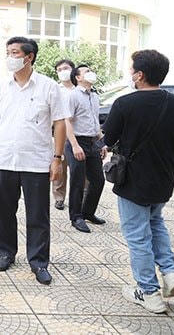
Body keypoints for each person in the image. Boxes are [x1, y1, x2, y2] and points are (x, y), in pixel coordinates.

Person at [103, 49, 174, 314]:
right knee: (155, 223)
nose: (130, 74)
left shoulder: (124, 104)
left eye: (132, 70)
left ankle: (148, 292)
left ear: (139, 75)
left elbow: (108, 139)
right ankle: (171, 273)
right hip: (164, 178)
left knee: (138, 236)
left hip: (134, 181)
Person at [0, 36, 67, 285]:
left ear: (29, 57)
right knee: (5, 211)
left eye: (14, 53)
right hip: (6, 160)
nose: (9, 58)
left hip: (37, 162)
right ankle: (6, 253)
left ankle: (39, 262)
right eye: (8, 52)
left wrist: (57, 158)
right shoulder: (1, 87)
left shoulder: (48, 86)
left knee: (38, 215)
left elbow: (60, 122)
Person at [64, 64, 106, 233]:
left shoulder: (94, 96)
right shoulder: (72, 95)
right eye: (86, 71)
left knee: (98, 180)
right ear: (78, 77)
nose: (91, 73)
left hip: (92, 142)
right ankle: (76, 217)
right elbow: (66, 121)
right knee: (77, 181)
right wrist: (75, 145)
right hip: (76, 141)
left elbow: (94, 122)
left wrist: (102, 142)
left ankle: (88, 212)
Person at [53, 59, 76, 210]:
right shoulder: (55, 89)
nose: (63, 72)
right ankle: (59, 197)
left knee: (79, 170)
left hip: (78, 134)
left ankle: (80, 197)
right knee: (60, 166)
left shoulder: (80, 89)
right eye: (59, 70)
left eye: (66, 68)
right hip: (60, 134)